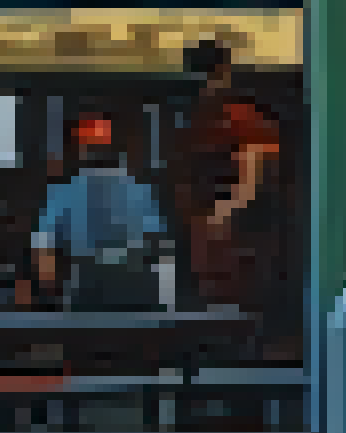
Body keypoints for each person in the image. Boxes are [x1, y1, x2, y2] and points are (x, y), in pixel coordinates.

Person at [177, 38, 284, 325]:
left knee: (233, 307)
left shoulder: (239, 119)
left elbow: (250, 180)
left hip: (233, 234)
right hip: (216, 231)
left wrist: (216, 219)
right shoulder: (204, 119)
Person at [30, 114, 171, 312]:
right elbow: (160, 248)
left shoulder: (64, 193)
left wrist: (53, 298)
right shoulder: (140, 191)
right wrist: (166, 302)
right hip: (131, 295)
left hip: (93, 293)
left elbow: (44, 254)